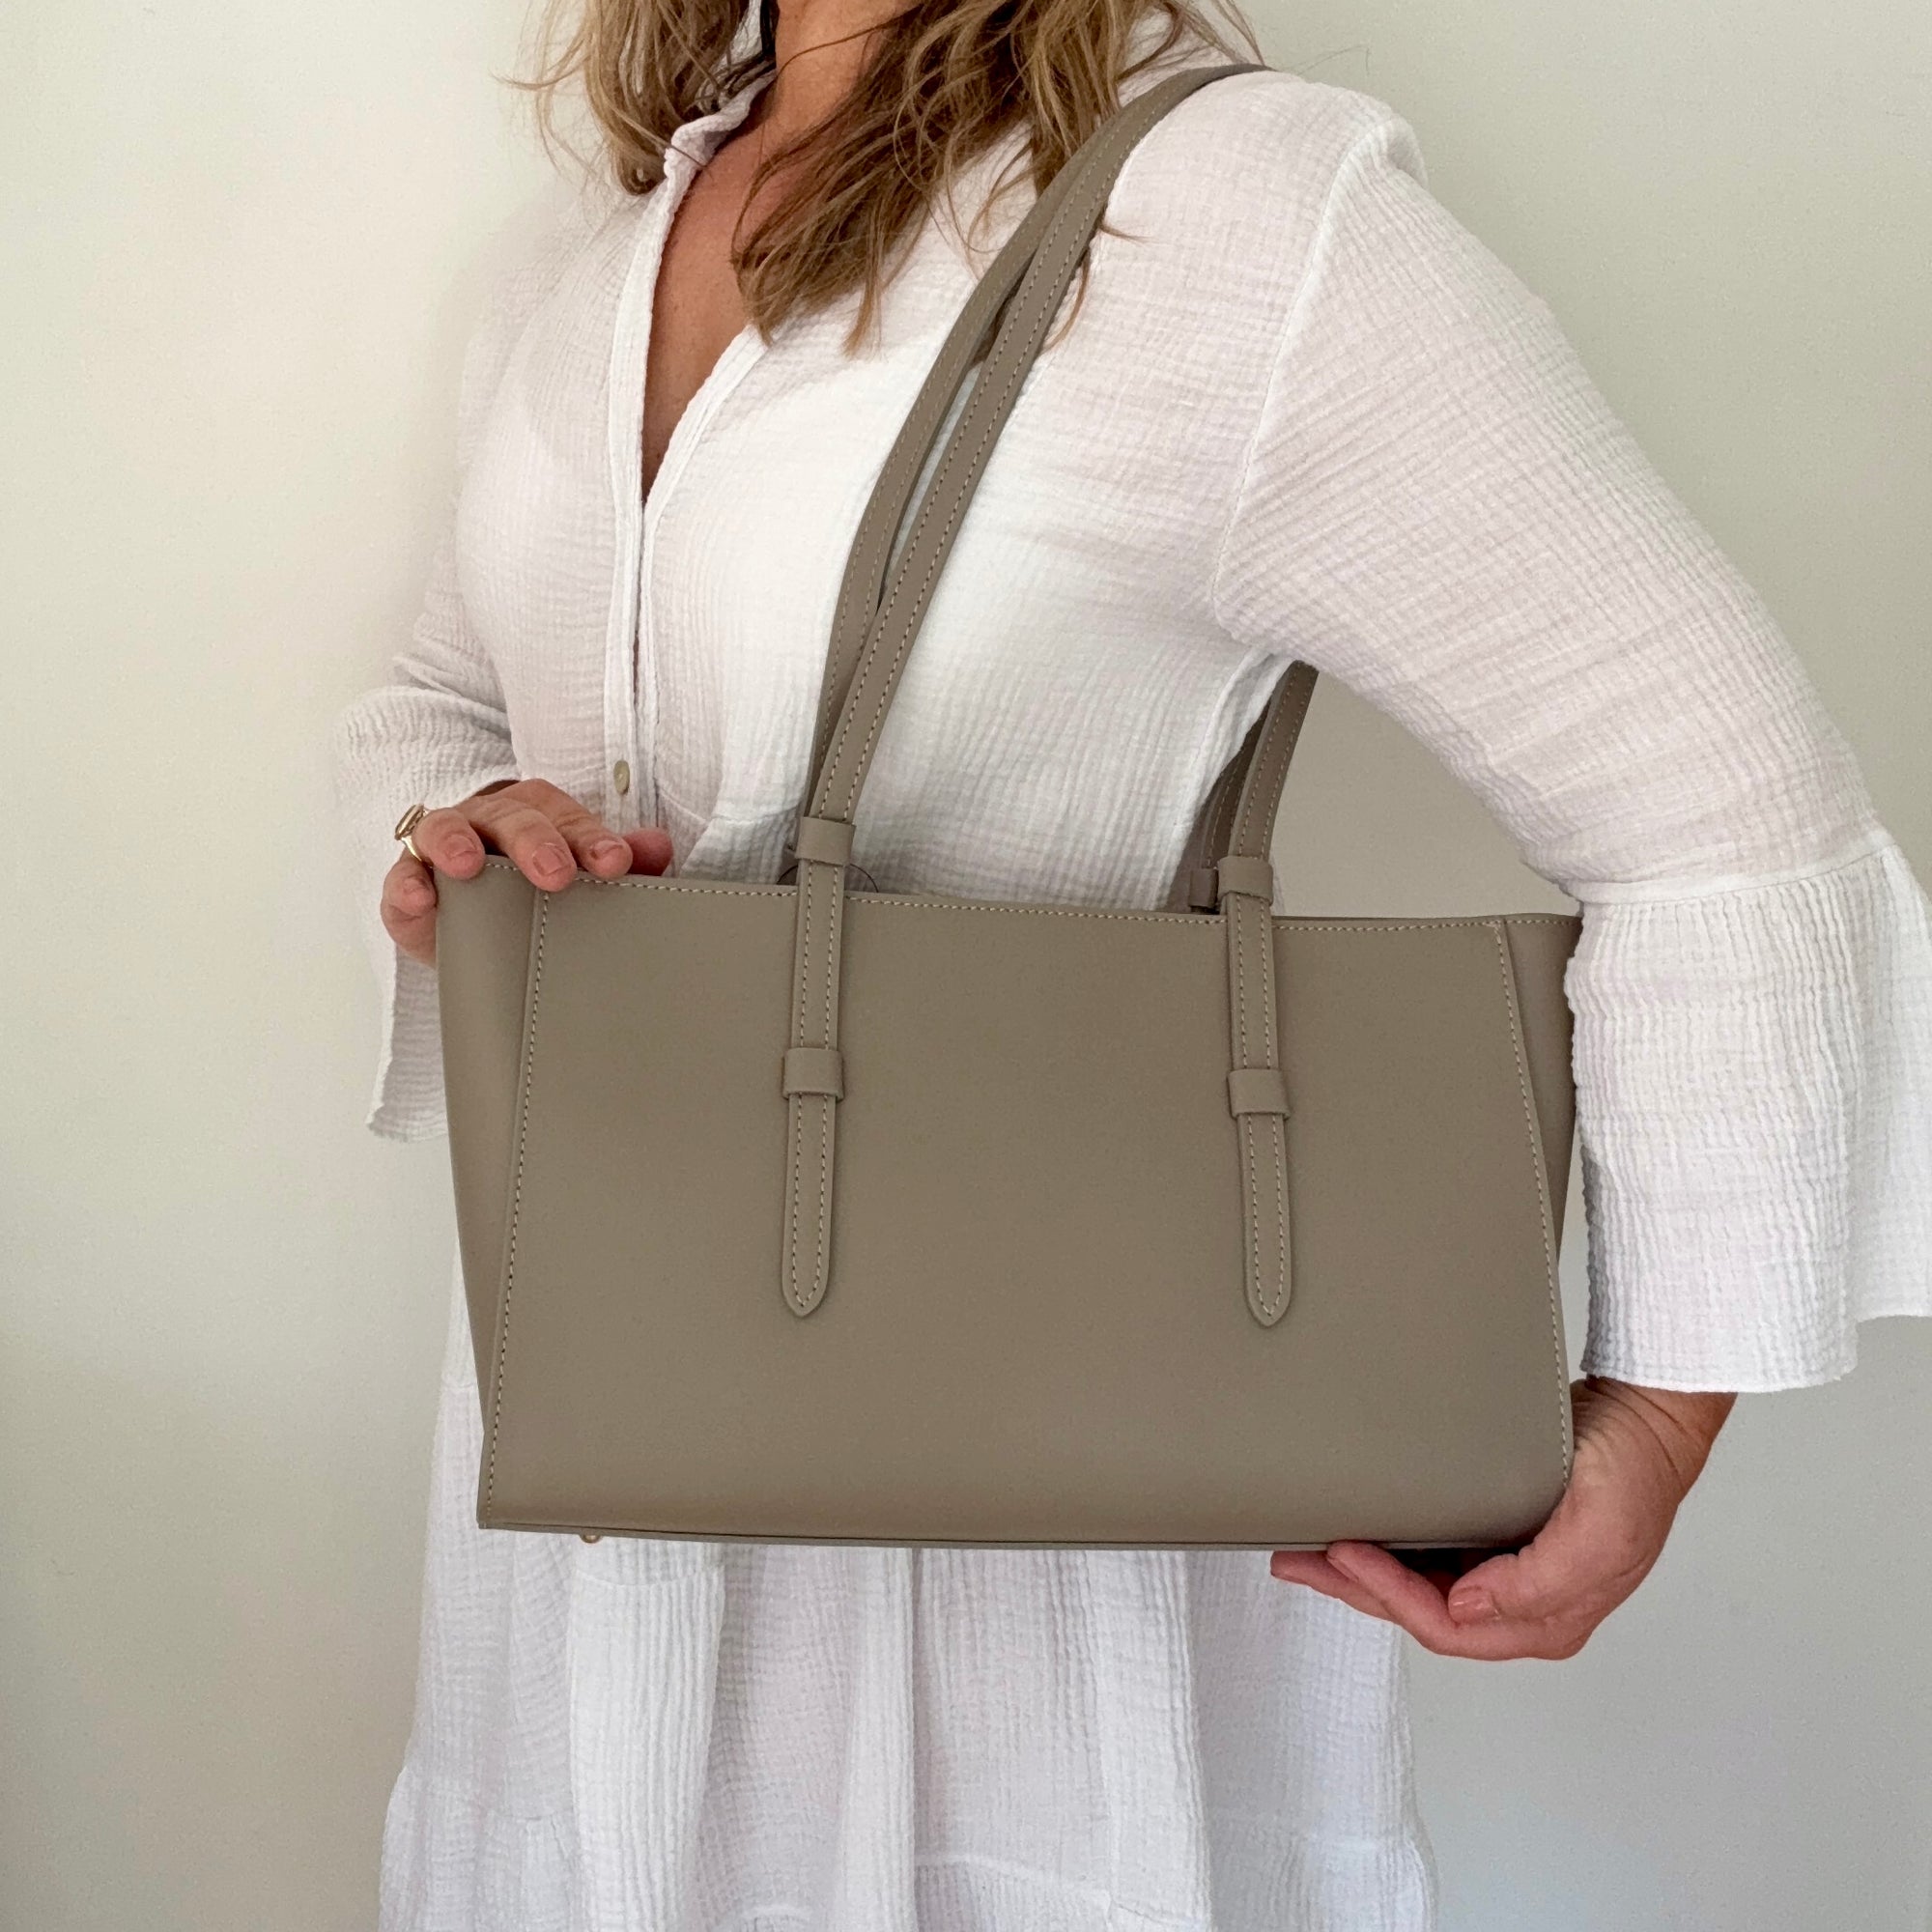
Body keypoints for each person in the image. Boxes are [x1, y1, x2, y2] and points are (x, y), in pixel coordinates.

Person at [330, 0, 1932, 1920]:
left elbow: (1729, 805)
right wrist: (466, 811)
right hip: (572, 1481)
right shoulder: (583, 248)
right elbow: (434, 687)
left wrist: (1662, 1411)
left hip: (1022, 1540)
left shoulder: (1234, 217)